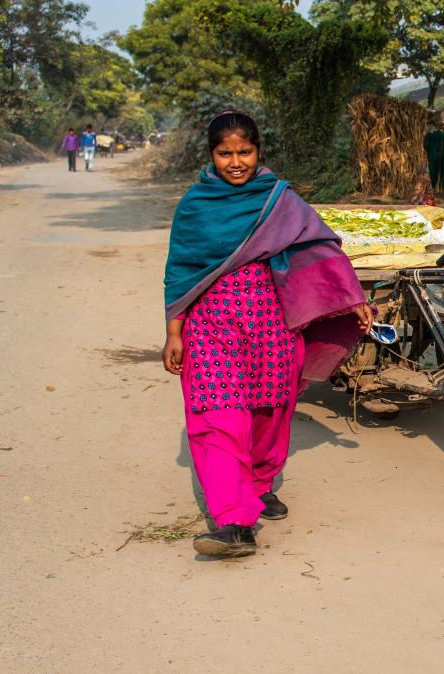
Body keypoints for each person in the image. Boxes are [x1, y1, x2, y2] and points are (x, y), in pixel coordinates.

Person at [162, 112, 373, 559]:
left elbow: (320, 246)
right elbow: (179, 272)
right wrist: (174, 331)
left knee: (269, 410)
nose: (235, 162)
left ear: (258, 152)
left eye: (244, 152)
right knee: (217, 414)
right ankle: (235, 521)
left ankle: (258, 485)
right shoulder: (195, 205)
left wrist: (350, 296)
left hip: (271, 324)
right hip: (210, 326)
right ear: (211, 155)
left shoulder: (280, 201)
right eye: (225, 153)